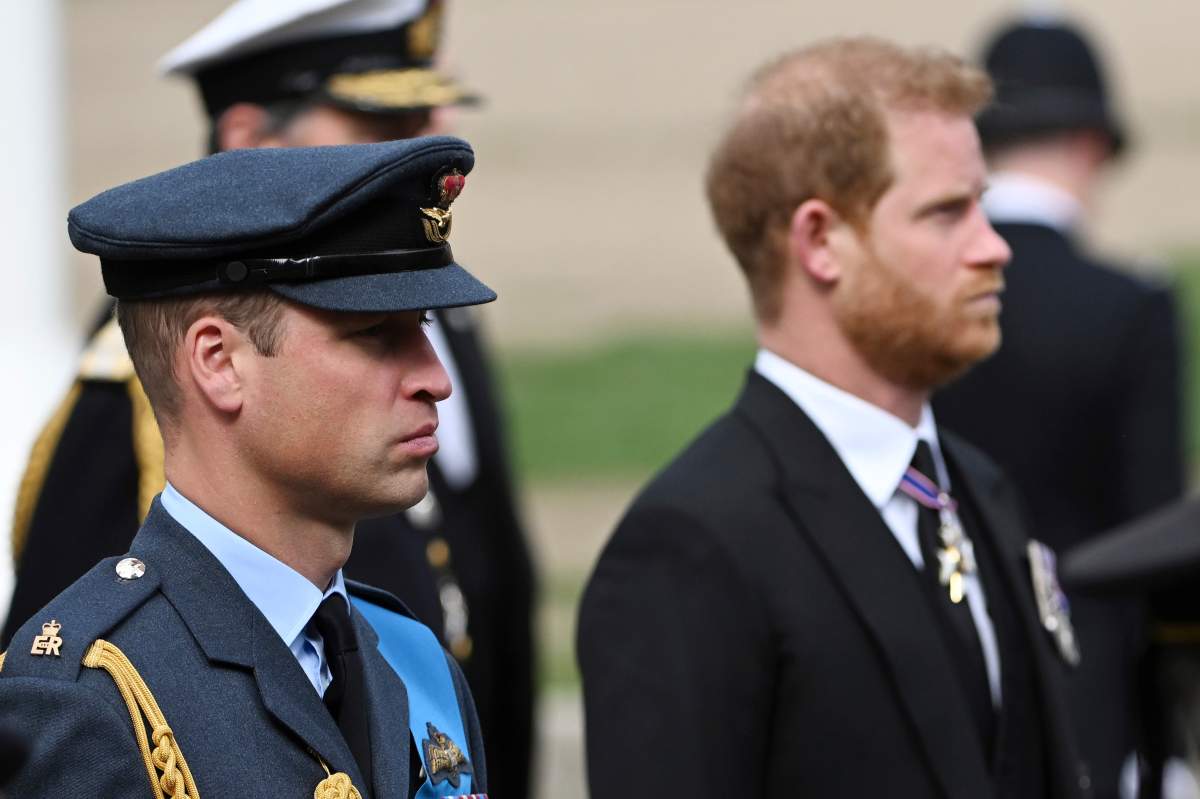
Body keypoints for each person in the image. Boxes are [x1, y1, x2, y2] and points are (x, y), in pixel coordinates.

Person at [4, 2, 536, 795]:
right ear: (217, 362)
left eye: (420, 326)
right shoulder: (87, 700)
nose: (435, 376)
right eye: (373, 334)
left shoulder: (410, 659)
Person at [577, 37, 1090, 798]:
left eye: (981, 203)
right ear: (820, 241)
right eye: (947, 212)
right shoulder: (692, 548)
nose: (993, 247)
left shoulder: (979, 490)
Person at [932, 19, 1185, 798]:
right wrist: (1164, 730)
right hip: (1088, 680)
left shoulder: (921, 299)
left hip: (938, 663)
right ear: (1090, 143)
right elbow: (1155, 537)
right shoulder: (1130, 305)